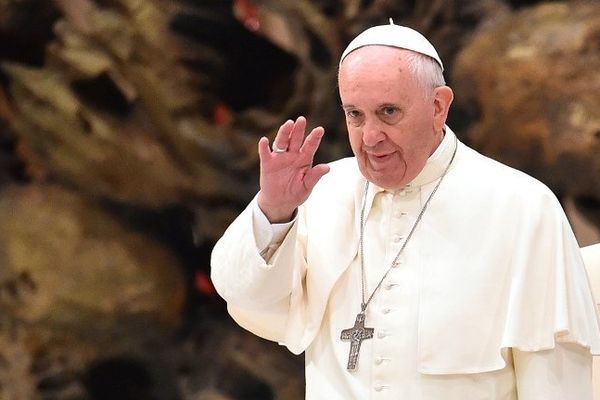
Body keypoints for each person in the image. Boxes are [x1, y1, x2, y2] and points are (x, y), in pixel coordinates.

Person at [210, 21, 600, 399]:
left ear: (438, 106)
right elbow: (247, 301)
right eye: (355, 115)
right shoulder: (319, 195)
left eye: (389, 112)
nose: (370, 137)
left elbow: (556, 380)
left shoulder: (523, 207)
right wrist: (274, 211)